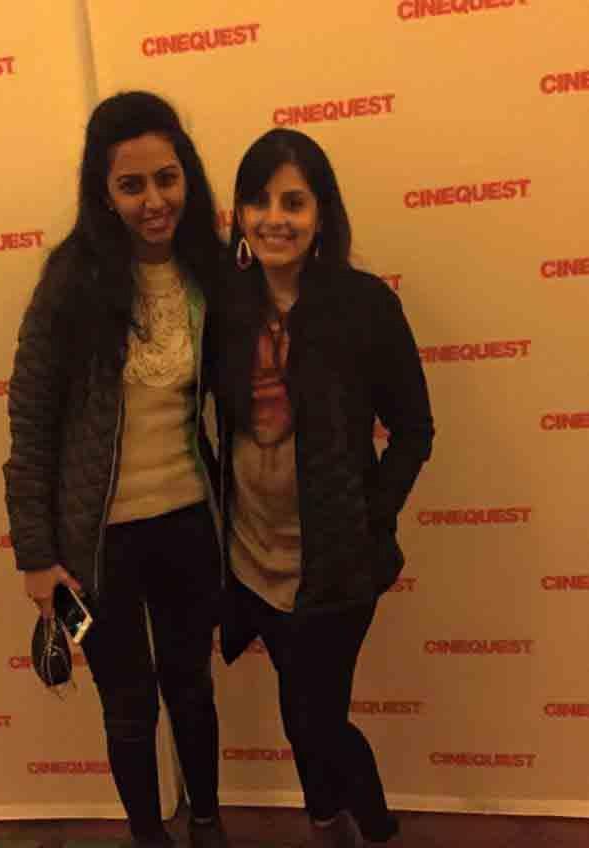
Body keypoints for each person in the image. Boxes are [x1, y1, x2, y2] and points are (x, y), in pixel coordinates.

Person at [3, 91, 227, 848]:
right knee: (127, 705)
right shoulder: (69, 284)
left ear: (186, 176)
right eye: (132, 185)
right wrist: (36, 558)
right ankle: (148, 838)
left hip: (189, 527)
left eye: (167, 178)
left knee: (192, 688)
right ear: (103, 193)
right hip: (92, 550)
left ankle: (207, 825)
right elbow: (30, 426)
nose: (154, 200)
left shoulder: (210, 271)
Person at [213, 128, 434, 847]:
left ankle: (373, 827)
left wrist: (370, 517)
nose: (275, 218)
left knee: (315, 715)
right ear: (240, 214)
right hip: (251, 560)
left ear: (321, 213)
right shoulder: (224, 306)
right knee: (301, 711)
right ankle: (331, 824)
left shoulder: (365, 306)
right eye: (259, 201)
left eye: (294, 202)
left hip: (336, 567)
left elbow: (414, 429)